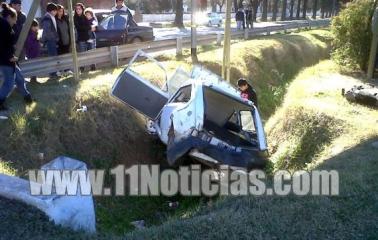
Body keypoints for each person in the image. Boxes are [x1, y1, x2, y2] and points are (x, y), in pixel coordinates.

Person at [0, 3, 33, 111]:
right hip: (5, 60)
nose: (15, 22)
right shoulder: (4, 26)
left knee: (19, 79)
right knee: (9, 84)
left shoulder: (5, 25)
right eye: (15, 19)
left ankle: (28, 98)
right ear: (9, 17)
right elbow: (2, 45)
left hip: (9, 58)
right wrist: (10, 56)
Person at [41, 2, 60, 78]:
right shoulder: (47, 18)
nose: (56, 12)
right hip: (50, 40)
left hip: (52, 40)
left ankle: (54, 72)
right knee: (52, 56)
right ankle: (52, 73)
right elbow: (47, 31)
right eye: (55, 11)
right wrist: (54, 38)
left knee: (54, 56)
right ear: (52, 11)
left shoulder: (50, 17)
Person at [56, 5, 73, 76]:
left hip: (67, 40)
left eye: (62, 11)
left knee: (66, 55)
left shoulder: (66, 18)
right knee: (59, 56)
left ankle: (67, 69)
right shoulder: (55, 20)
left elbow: (69, 29)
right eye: (59, 11)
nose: (61, 12)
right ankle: (59, 70)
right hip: (60, 42)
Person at [74, 3, 91, 73]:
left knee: (90, 53)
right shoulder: (75, 18)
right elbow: (79, 28)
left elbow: (89, 26)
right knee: (82, 54)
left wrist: (87, 28)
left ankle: (92, 67)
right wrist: (87, 28)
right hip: (80, 38)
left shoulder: (85, 16)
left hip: (88, 37)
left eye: (79, 9)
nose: (78, 10)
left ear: (82, 9)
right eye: (77, 9)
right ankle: (82, 69)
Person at [25, 19, 40, 83]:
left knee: (36, 65)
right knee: (32, 65)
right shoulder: (29, 34)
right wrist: (36, 40)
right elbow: (29, 44)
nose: (36, 27)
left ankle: (34, 78)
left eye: (37, 26)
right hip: (31, 52)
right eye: (34, 26)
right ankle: (32, 78)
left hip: (36, 51)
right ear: (31, 27)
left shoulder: (36, 33)